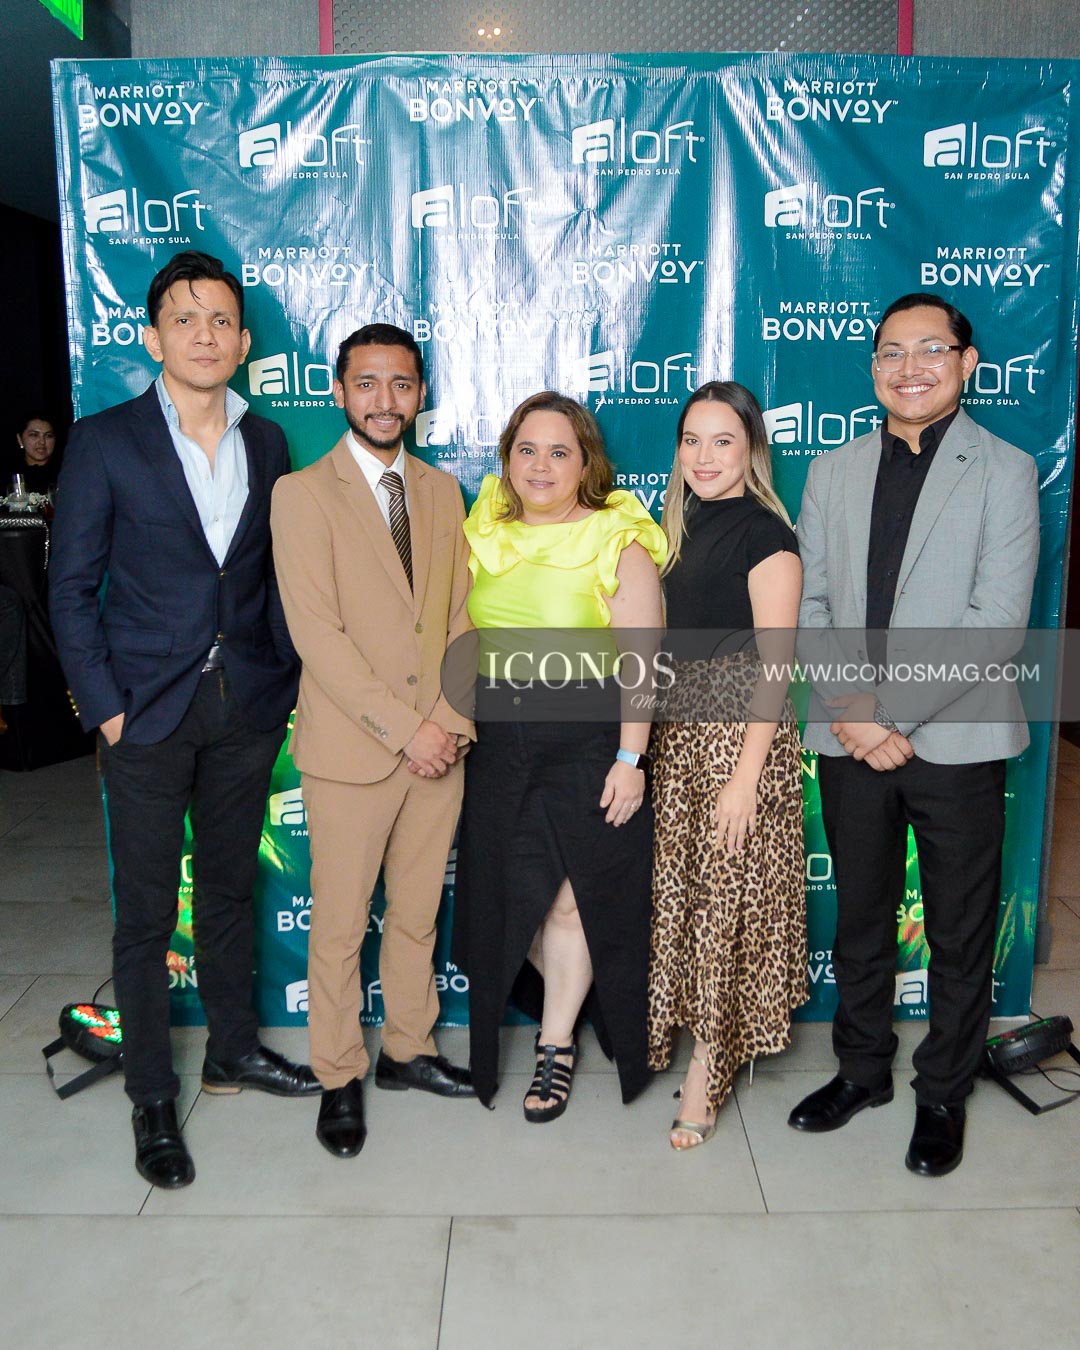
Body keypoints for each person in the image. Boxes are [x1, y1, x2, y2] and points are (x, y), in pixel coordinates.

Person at [49, 250, 316, 1191]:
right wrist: (106, 711)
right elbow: (70, 589)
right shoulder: (105, 440)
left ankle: (233, 1051)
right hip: (146, 713)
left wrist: (283, 681)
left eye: (222, 321)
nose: (205, 335)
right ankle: (152, 1095)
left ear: (243, 343)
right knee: (148, 915)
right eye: (185, 318)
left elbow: (267, 576)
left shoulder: (267, 441)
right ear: (154, 336)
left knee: (234, 891)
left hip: (247, 706)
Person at [789, 293, 1040, 1176]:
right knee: (859, 917)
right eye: (891, 352)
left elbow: (996, 621)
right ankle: (861, 1072)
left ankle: (942, 1090)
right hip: (849, 735)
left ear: (967, 363)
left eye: (930, 349)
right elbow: (811, 605)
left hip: (957, 740)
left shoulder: (1006, 469)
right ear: (873, 369)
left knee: (960, 930)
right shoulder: (832, 470)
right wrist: (854, 712)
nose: (910, 368)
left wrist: (886, 715)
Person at [270, 323, 476, 1162]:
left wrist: (451, 723)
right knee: (341, 925)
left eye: (401, 384)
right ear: (339, 391)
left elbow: (462, 617)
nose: (384, 400)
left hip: (440, 748)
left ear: (419, 393)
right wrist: (407, 730)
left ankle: (408, 1050)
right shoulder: (300, 494)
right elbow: (317, 636)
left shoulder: (442, 491)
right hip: (355, 752)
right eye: (367, 383)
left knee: (419, 916)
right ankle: (338, 1072)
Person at [453, 391, 666, 1119]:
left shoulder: (617, 536)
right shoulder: (484, 529)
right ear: (507, 458)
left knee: (576, 900)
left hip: (589, 743)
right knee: (511, 900)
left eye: (559, 452)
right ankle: (582, 996)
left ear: (586, 465)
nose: (540, 466)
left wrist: (630, 760)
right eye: (526, 450)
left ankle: (556, 1047)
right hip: (498, 745)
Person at [647, 382, 807, 1149]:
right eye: (692, 440)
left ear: (752, 451)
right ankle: (700, 1042)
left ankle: (708, 1072)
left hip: (739, 741)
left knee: (726, 908)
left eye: (722, 441)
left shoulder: (766, 534)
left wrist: (744, 780)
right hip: (679, 737)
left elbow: (775, 667)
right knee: (688, 901)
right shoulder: (674, 526)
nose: (704, 457)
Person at [11, 414, 61, 495]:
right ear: (20, 439)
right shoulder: (7, 474)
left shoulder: (66, 472)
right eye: (34, 435)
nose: (42, 442)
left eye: (48, 436)